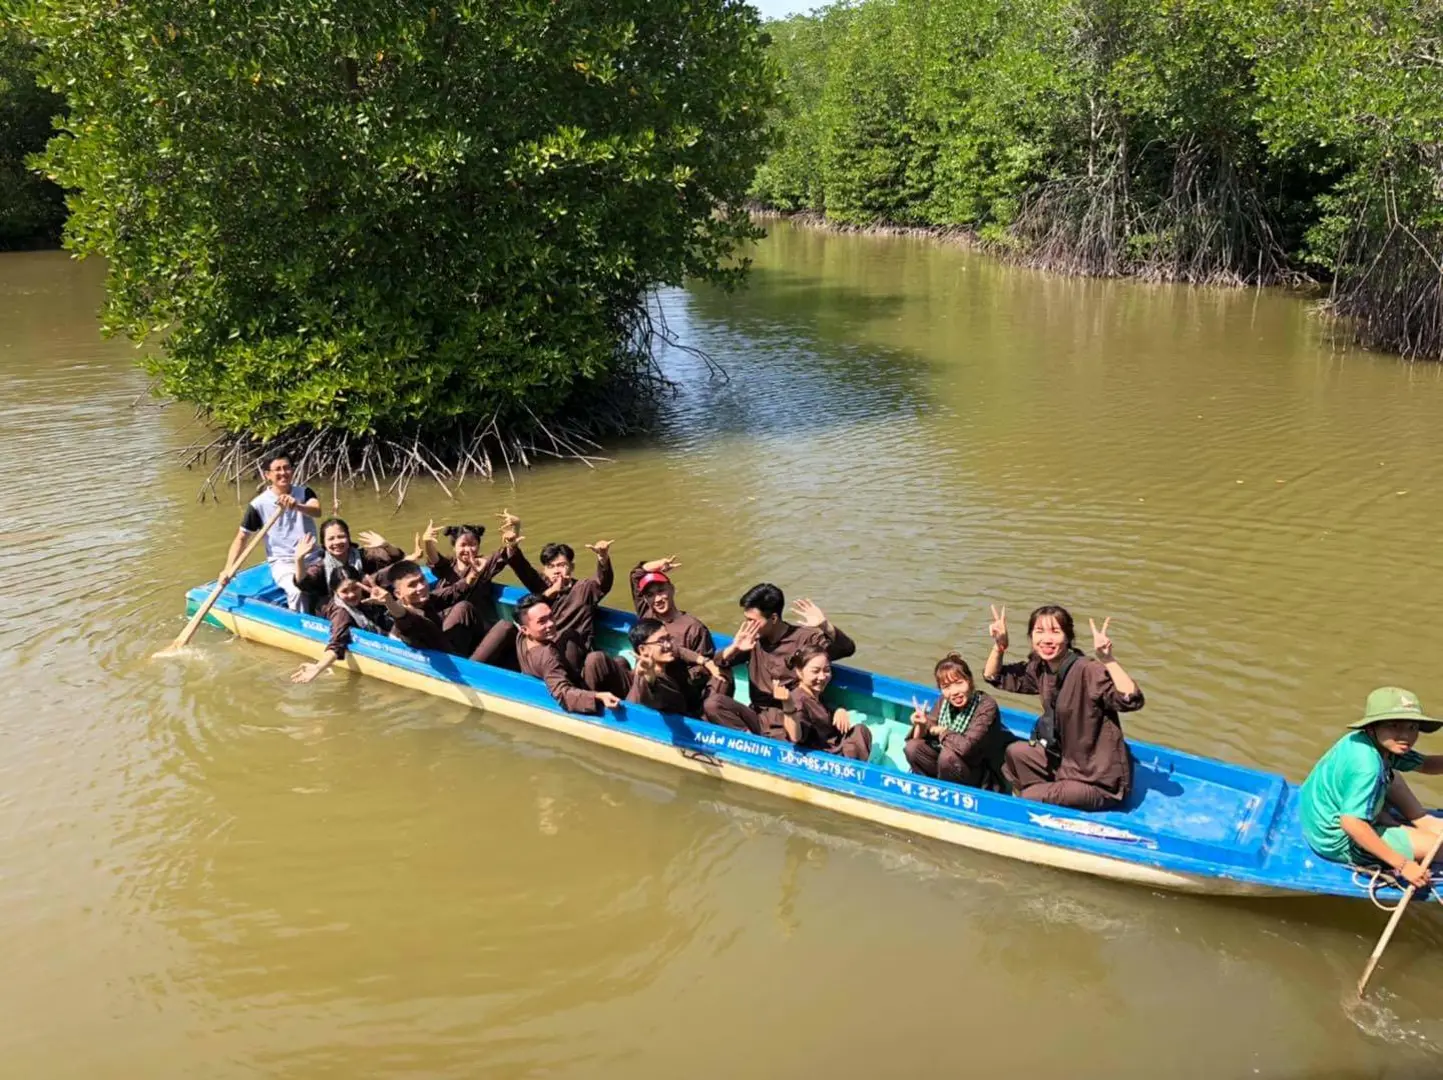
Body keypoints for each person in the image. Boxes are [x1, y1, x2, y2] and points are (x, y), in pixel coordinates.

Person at [985, 604, 1143, 810]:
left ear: (1068, 637)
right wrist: (999, 647)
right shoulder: (1041, 669)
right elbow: (993, 676)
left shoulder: (1088, 670)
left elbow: (1131, 699)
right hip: (1066, 761)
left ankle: (1040, 800)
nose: (1046, 640)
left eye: (1055, 632)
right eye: (1039, 632)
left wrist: (1108, 660)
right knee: (1015, 753)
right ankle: (1049, 797)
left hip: (1097, 780)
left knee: (1028, 797)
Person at [1299, 686, 1443, 887]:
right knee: (1440, 848)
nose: (1406, 736)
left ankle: (1421, 820)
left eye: (1412, 727)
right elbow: (1351, 823)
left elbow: (1426, 764)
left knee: (1392, 776)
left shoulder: (1374, 742)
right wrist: (1403, 865)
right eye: (1394, 726)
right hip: (1336, 838)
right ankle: (1390, 824)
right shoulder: (1367, 767)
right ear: (1371, 727)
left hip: (1317, 811)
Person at [715, 583, 855, 710]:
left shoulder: (805, 639)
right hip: (759, 712)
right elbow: (718, 662)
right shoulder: (751, 639)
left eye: (752, 621)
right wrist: (735, 647)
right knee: (714, 704)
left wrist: (824, 625)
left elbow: (847, 649)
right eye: (747, 620)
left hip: (793, 713)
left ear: (774, 618)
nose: (748, 626)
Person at [219, 453, 322, 611]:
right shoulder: (258, 505)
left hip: (313, 557)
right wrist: (228, 568)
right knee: (297, 591)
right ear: (268, 475)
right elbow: (242, 538)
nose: (283, 473)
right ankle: (300, 625)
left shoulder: (304, 493)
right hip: (284, 563)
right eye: (278, 469)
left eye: (287, 468)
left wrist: (297, 506)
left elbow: (317, 511)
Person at [904, 653, 1015, 791]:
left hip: (977, 769)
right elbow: (920, 737)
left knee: (947, 757)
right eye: (946, 687)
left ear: (969, 681)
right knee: (912, 748)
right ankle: (930, 786)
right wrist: (921, 725)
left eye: (959, 683)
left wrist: (941, 731)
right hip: (946, 766)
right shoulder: (943, 702)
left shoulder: (986, 706)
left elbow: (965, 747)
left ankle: (949, 792)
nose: (954, 692)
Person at [371, 559, 515, 664]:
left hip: (450, 647)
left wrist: (474, 573)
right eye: (412, 585)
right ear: (398, 594)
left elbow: (453, 591)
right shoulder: (407, 622)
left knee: (464, 607)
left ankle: (493, 653)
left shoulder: (425, 601)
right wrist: (389, 602)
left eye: (422, 580)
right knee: (505, 627)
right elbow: (402, 617)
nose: (421, 587)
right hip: (457, 667)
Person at [629, 555, 730, 695]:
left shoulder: (694, 627)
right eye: (650, 595)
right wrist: (658, 564)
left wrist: (671, 670)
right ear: (645, 599)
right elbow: (635, 575)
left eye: (661, 591)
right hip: (643, 682)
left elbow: (704, 669)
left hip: (674, 691)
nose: (657, 599)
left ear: (672, 589)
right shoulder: (647, 614)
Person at [514, 593, 629, 715]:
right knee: (609, 660)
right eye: (542, 622)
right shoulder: (548, 656)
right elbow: (563, 693)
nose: (551, 624)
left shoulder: (521, 637)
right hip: (574, 688)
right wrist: (598, 696)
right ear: (525, 629)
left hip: (556, 674)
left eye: (551, 616)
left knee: (569, 635)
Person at [291, 565, 395, 684]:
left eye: (355, 588)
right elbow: (337, 643)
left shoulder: (368, 589)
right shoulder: (341, 613)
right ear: (335, 591)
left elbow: (384, 574)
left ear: (360, 585)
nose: (351, 594)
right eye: (345, 591)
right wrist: (318, 667)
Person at [510, 537, 613, 651]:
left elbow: (602, 582)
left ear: (572, 567)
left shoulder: (583, 588)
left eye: (562, 565)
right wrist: (512, 546)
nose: (556, 570)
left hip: (572, 650)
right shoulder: (541, 584)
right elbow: (523, 569)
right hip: (543, 647)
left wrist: (603, 557)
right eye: (551, 566)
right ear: (545, 570)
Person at [773, 644, 871, 760]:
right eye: (815, 671)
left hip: (832, 745)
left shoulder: (813, 694)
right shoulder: (798, 700)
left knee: (860, 730)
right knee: (860, 732)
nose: (822, 677)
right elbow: (795, 736)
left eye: (827, 670)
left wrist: (839, 710)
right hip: (822, 756)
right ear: (799, 672)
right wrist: (788, 707)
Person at [294, 517, 405, 604]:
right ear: (324, 543)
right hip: (338, 607)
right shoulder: (320, 566)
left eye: (341, 536)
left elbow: (395, 558)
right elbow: (303, 583)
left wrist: (386, 545)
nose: (337, 542)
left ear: (348, 538)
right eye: (331, 539)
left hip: (368, 600)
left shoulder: (363, 555)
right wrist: (299, 559)